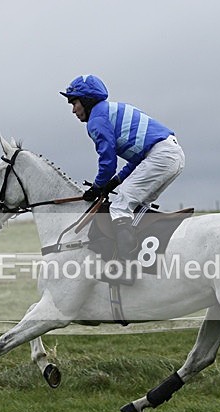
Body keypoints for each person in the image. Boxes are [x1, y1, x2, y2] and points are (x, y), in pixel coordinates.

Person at [60, 75, 185, 281]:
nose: (73, 110)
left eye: (74, 102)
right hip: (171, 154)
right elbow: (138, 157)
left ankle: (126, 269)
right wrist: (116, 181)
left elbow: (107, 159)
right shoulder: (108, 112)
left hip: (161, 156)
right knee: (136, 206)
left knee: (119, 206)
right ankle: (145, 256)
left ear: (87, 100)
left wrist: (99, 186)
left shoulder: (96, 121)